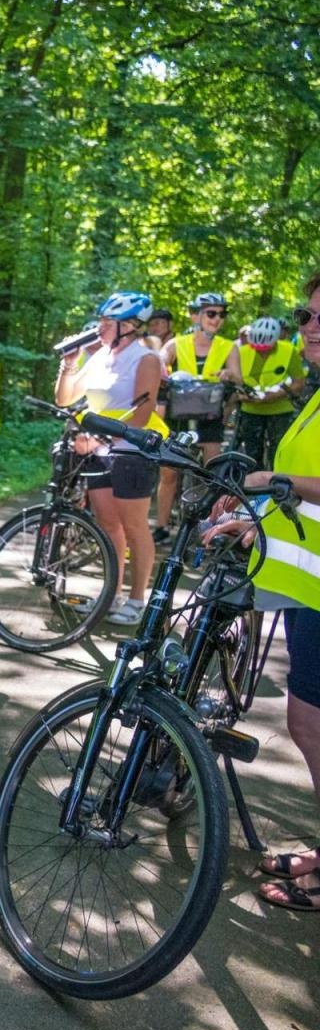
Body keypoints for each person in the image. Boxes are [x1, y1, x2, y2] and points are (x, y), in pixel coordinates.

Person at [202, 269, 320, 912]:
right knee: (308, 723)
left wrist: (272, 479)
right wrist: (255, 519)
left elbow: (297, 481)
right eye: (307, 315)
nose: (310, 327)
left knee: (312, 723)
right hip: (309, 590)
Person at [54, 291, 165, 627]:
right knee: (108, 526)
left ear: (129, 326)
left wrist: (99, 436)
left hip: (132, 453)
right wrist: (69, 362)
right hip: (98, 453)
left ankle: (137, 600)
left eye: (107, 322)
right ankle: (111, 595)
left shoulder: (145, 359)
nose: (100, 327)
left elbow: (142, 415)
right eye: (101, 320)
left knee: (134, 527)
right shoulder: (100, 356)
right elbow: (65, 398)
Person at [157, 293, 236, 539]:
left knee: (212, 473)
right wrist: (163, 371)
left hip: (210, 416)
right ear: (195, 315)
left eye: (221, 314)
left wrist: (228, 374)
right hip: (179, 415)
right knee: (169, 473)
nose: (217, 319)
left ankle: (210, 523)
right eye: (211, 313)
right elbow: (157, 366)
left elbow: (238, 377)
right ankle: (161, 526)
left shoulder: (228, 346)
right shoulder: (175, 344)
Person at [223, 315, 302, 470]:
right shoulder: (241, 351)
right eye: (257, 348)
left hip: (280, 410)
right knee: (251, 454)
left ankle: (278, 486)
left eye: (266, 348)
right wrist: (240, 395)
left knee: (278, 451)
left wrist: (276, 395)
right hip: (250, 409)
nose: (261, 352)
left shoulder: (288, 350)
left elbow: (299, 383)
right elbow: (234, 381)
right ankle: (254, 487)